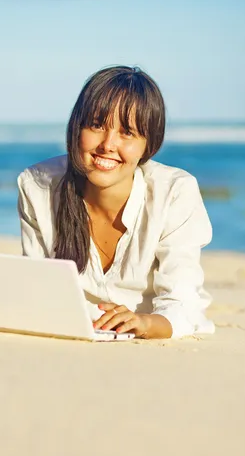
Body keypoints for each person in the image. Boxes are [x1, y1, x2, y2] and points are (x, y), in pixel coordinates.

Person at [17, 65, 215, 339]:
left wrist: (144, 324)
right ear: (76, 128)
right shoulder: (37, 186)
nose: (108, 144)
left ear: (150, 144)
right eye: (96, 125)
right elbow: (38, 290)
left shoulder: (175, 192)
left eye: (127, 132)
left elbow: (184, 304)